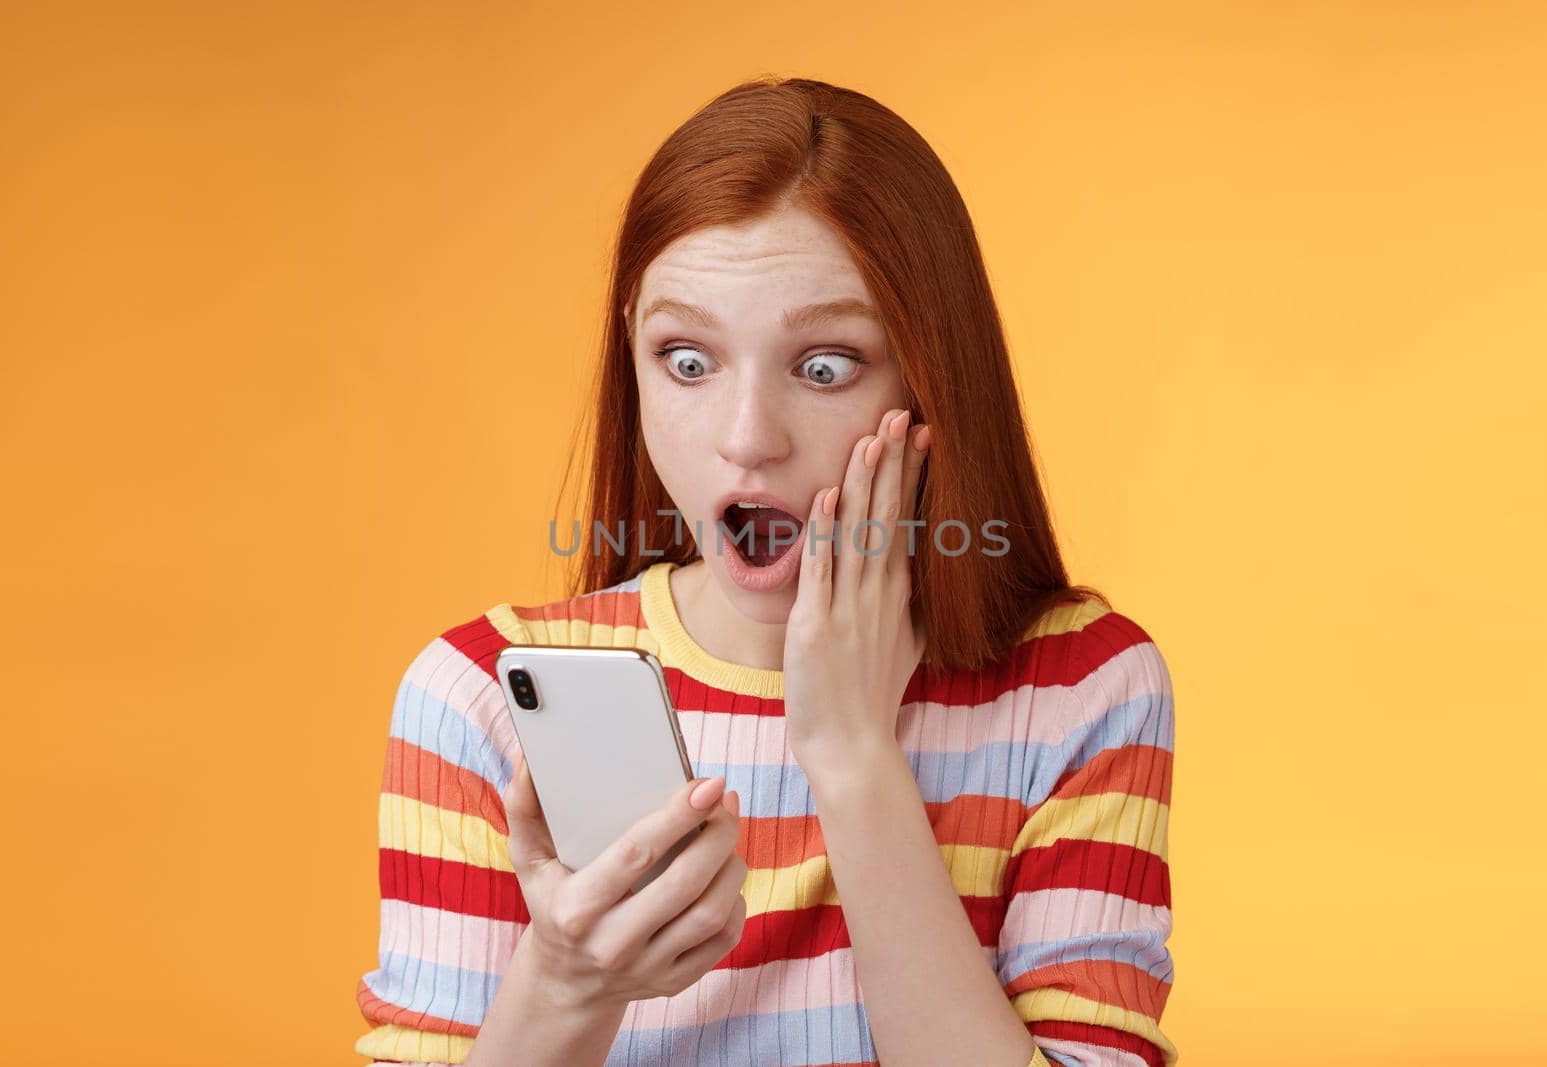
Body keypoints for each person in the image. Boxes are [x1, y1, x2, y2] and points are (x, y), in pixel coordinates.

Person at [353, 76, 1178, 1067]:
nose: (746, 440)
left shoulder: (1082, 688)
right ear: (634, 360)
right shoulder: (481, 697)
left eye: (825, 365)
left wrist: (853, 755)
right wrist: (568, 980)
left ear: (930, 372)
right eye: (687, 360)